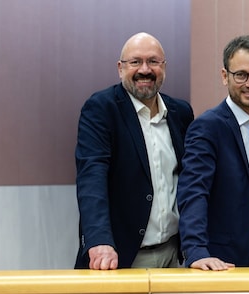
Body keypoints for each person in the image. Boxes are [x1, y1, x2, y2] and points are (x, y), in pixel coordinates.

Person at [75, 32, 194, 270]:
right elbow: (91, 177)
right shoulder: (101, 109)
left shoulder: (181, 113)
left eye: (153, 61)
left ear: (164, 67)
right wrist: (99, 240)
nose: (145, 69)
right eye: (135, 62)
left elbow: (190, 180)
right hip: (121, 256)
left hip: (174, 255)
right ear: (120, 68)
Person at [177, 35, 249, 270]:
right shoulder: (208, 127)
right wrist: (195, 250)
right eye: (241, 75)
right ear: (225, 76)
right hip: (227, 263)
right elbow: (193, 191)